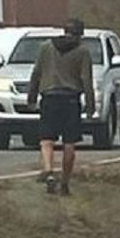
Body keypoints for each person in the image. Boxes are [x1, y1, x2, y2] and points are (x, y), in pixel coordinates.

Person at [27, 19, 95, 196]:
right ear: (80, 34)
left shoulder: (46, 47)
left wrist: (31, 97)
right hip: (71, 100)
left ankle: (49, 171)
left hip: (49, 98)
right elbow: (86, 79)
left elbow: (36, 73)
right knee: (69, 143)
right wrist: (90, 105)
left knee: (46, 140)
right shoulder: (83, 51)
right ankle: (64, 181)